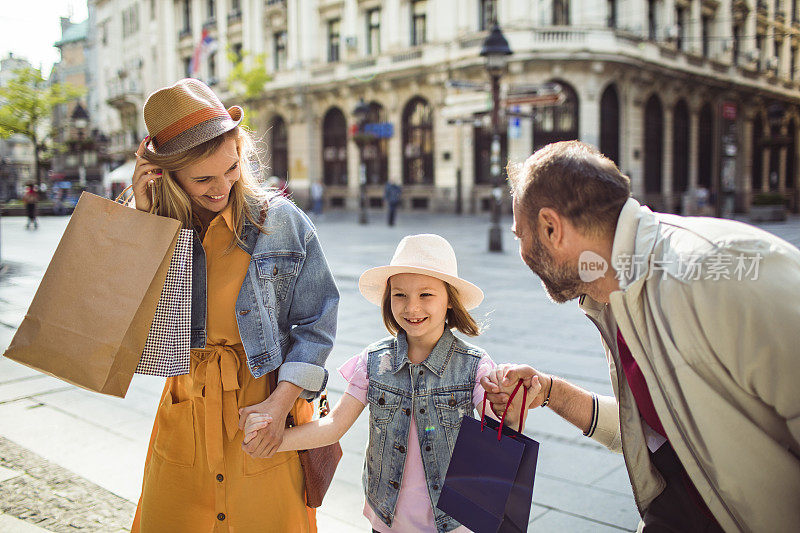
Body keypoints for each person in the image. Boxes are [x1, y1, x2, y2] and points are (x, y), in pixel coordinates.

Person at [482, 140, 800, 532]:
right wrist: (550, 392)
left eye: (520, 236)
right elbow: (662, 429)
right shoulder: (614, 293)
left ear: (551, 227)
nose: (521, 251)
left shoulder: (724, 270)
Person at [128, 78, 339, 532]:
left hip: (264, 414)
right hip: (185, 417)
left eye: (231, 169)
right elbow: (130, 323)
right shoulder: (157, 226)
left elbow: (316, 324)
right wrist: (145, 225)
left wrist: (280, 405)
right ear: (167, 174)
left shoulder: (281, 222)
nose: (221, 186)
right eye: (203, 178)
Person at [243, 233, 537, 533]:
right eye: (400, 295)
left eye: (426, 295)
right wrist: (276, 441)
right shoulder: (372, 361)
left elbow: (503, 430)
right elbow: (334, 426)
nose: (412, 308)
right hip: (387, 519)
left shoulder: (474, 365)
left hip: (453, 523)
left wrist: (509, 399)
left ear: (450, 300)